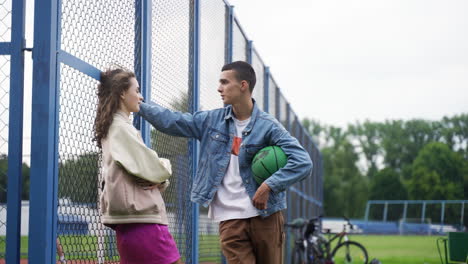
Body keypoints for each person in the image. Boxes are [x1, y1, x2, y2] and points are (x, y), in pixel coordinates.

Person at [135, 61, 313, 263]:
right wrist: (140, 107)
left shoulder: (269, 127)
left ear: (243, 85)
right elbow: (175, 121)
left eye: (225, 82)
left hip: (265, 216)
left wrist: (269, 185)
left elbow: (303, 162)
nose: (219, 88)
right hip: (229, 219)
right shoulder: (212, 121)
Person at [94, 68, 183, 264]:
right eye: (137, 90)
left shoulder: (115, 127)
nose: (140, 97)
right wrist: (165, 169)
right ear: (122, 93)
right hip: (142, 222)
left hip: (134, 222)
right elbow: (154, 167)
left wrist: (158, 179)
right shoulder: (121, 129)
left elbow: (144, 170)